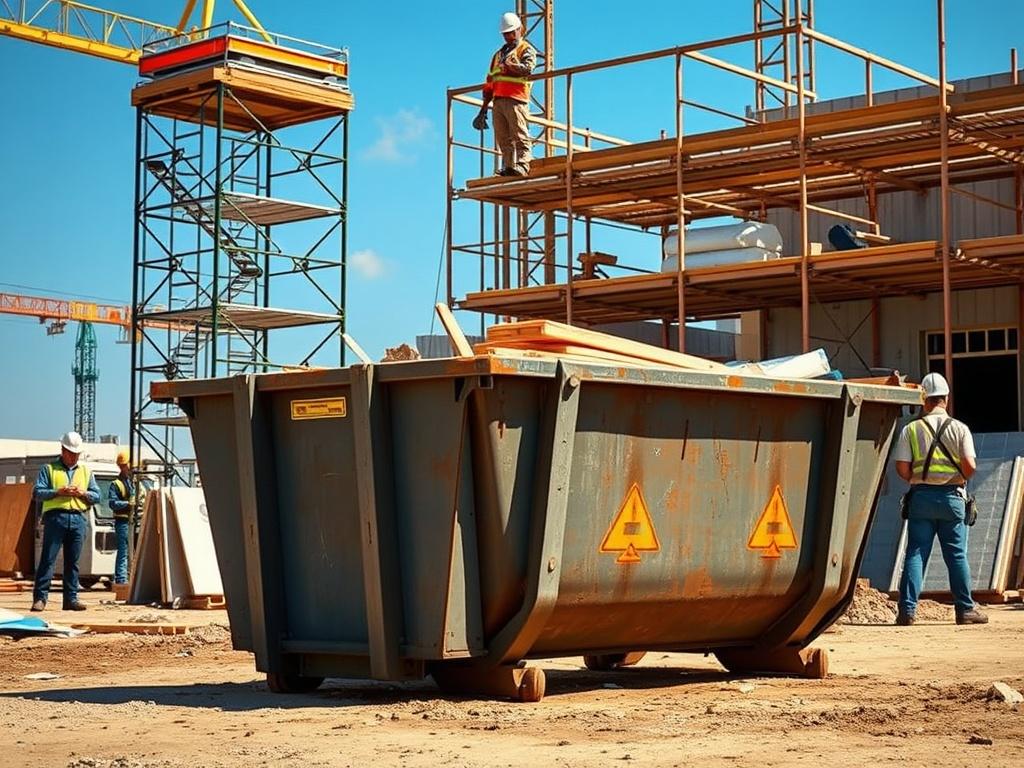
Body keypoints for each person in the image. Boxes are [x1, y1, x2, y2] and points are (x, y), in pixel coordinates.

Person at [892, 372, 988, 625]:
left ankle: (907, 611)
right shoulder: (960, 428)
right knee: (956, 555)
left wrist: (919, 478)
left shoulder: (911, 429)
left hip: (921, 499)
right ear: (946, 398)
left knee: (915, 553)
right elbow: (970, 465)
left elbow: (901, 467)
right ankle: (965, 610)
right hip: (952, 498)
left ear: (924, 399)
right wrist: (957, 478)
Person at [31, 431, 101, 612]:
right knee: (48, 559)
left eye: (76, 454)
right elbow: (37, 493)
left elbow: (97, 496)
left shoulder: (86, 471)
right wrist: (57, 491)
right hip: (56, 518)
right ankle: (40, 598)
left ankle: (70, 599)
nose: (73, 457)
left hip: (78, 518)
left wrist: (83, 493)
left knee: (73, 562)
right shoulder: (49, 469)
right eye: (70, 453)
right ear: (63, 450)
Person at [473, 12, 536, 177]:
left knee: (520, 134)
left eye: (511, 33)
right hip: (498, 100)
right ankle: (509, 166)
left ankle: (523, 165)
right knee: (503, 137)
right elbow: (490, 83)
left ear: (519, 30)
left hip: (516, 99)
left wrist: (512, 66)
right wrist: (483, 109)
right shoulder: (497, 56)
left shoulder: (525, 49)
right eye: (505, 34)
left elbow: (528, 69)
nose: (508, 36)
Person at [108, 449, 134, 587]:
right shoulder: (116, 484)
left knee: (133, 552)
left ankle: (132, 579)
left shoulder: (133, 482)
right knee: (123, 552)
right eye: (125, 465)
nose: (127, 468)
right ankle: (121, 581)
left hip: (133, 522)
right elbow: (112, 503)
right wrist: (128, 504)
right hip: (122, 522)